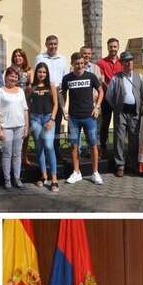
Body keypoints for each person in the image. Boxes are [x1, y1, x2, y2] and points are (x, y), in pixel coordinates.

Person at [62, 52, 104, 185]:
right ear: (72, 63)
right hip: (74, 118)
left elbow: (101, 91)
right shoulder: (67, 78)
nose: (80, 66)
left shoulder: (91, 76)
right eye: (77, 63)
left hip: (89, 117)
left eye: (82, 63)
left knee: (93, 145)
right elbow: (62, 95)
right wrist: (64, 110)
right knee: (74, 146)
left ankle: (95, 173)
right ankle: (76, 172)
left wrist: (97, 107)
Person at [106, 51, 143, 177]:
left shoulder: (139, 77)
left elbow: (142, 93)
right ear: (122, 63)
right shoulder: (116, 78)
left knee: (134, 138)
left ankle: (133, 164)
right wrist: (117, 107)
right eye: (126, 61)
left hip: (135, 112)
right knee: (119, 139)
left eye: (131, 60)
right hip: (121, 112)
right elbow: (109, 96)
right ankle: (120, 165)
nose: (129, 63)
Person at [0, 67, 29, 189]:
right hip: (6, 127)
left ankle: (17, 178)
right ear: (6, 77)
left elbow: (25, 110)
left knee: (17, 154)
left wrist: (26, 126)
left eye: (15, 76)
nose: (13, 78)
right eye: (11, 76)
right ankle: (7, 179)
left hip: (19, 126)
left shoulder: (20, 91)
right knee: (7, 154)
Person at [35, 35, 71, 160]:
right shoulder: (40, 57)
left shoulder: (62, 59)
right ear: (46, 44)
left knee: (56, 122)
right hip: (44, 93)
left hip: (59, 93)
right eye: (50, 44)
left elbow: (65, 77)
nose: (53, 46)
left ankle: (55, 151)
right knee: (44, 123)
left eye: (55, 44)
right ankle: (44, 153)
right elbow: (37, 75)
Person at [29, 62, 60, 191]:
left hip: (48, 118)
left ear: (47, 74)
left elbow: (56, 104)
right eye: (39, 72)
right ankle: (43, 175)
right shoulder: (32, 87)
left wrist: (52, 119)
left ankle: (54, 178)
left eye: (44, 72)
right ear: (36, 73)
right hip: (35, 119)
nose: (42, 74)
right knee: (39, 147)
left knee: (48, 145)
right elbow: (28, 104)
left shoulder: (51, 86)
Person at [97, 38, 123, 157]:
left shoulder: (122, 62)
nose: (113, 49)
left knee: (119, 125)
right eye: (111, 46)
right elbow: (102, 81)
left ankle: (118, 149)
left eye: (115, 46)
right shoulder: (101, 63)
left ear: (118, 47)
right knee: (105, 124)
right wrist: (110, 92)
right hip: (107, 99)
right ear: (107, 47)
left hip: (119, 99)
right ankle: (103, 148)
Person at [10, 48, 33, 166]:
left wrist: (29, 82)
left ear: (24, 58)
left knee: (26, 132)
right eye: (16, 56)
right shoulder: (9, 71)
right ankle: (15, 157)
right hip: (14, 105)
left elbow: (31, 85)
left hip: (26, 104)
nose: (18, 58)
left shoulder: (29, 70)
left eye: (20, 56)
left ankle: (24, 156)